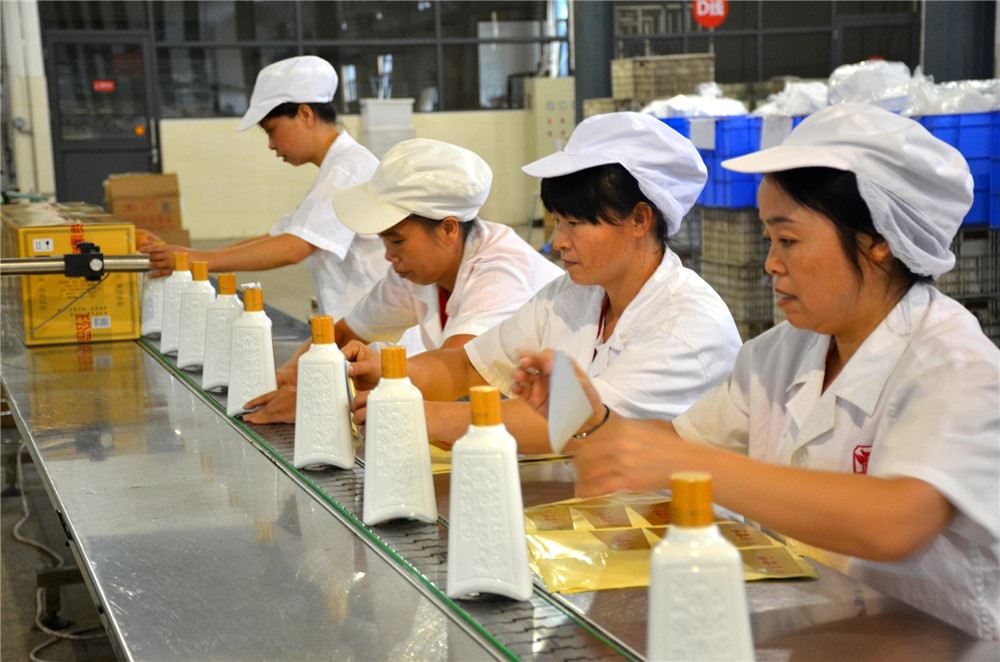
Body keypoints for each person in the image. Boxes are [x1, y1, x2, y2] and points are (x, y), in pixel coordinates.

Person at [511, 104, 999, 640]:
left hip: (934, 645)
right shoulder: (779, 354)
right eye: (769, 241)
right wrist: (592, 420)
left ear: (878, 240)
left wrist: (686, 464)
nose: (770, 263)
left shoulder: (955, 366)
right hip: (817, 633)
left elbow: (896, 521)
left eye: (788, 241)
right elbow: (676, 440)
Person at [345, 112, 743, 452]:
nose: (558, 242)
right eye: (557, 221)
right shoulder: (573, 294)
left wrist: (419, 416)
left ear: (639, 220)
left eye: (576, 223)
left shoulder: (687, 327)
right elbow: (469, 365)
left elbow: (577, 426)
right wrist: (390, 373)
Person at [241, 138, 563, 423]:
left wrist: (322, 402)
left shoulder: (501, 273)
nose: (388, 255)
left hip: (545, 430)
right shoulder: (418, 271)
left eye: (396, 240)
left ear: (448, 229)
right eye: (384, 240)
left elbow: (456, 371)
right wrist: (288, 376)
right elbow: (342, 333)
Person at [142, 55, 386, 320]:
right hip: (361, 326)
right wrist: (189, 256)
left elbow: (293, 248)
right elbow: (279, 236)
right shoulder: (338, 169)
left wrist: (196, 260)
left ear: (305, 115)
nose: (271, 144)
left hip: (378, 333)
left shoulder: (347, 169)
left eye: (271, 130)